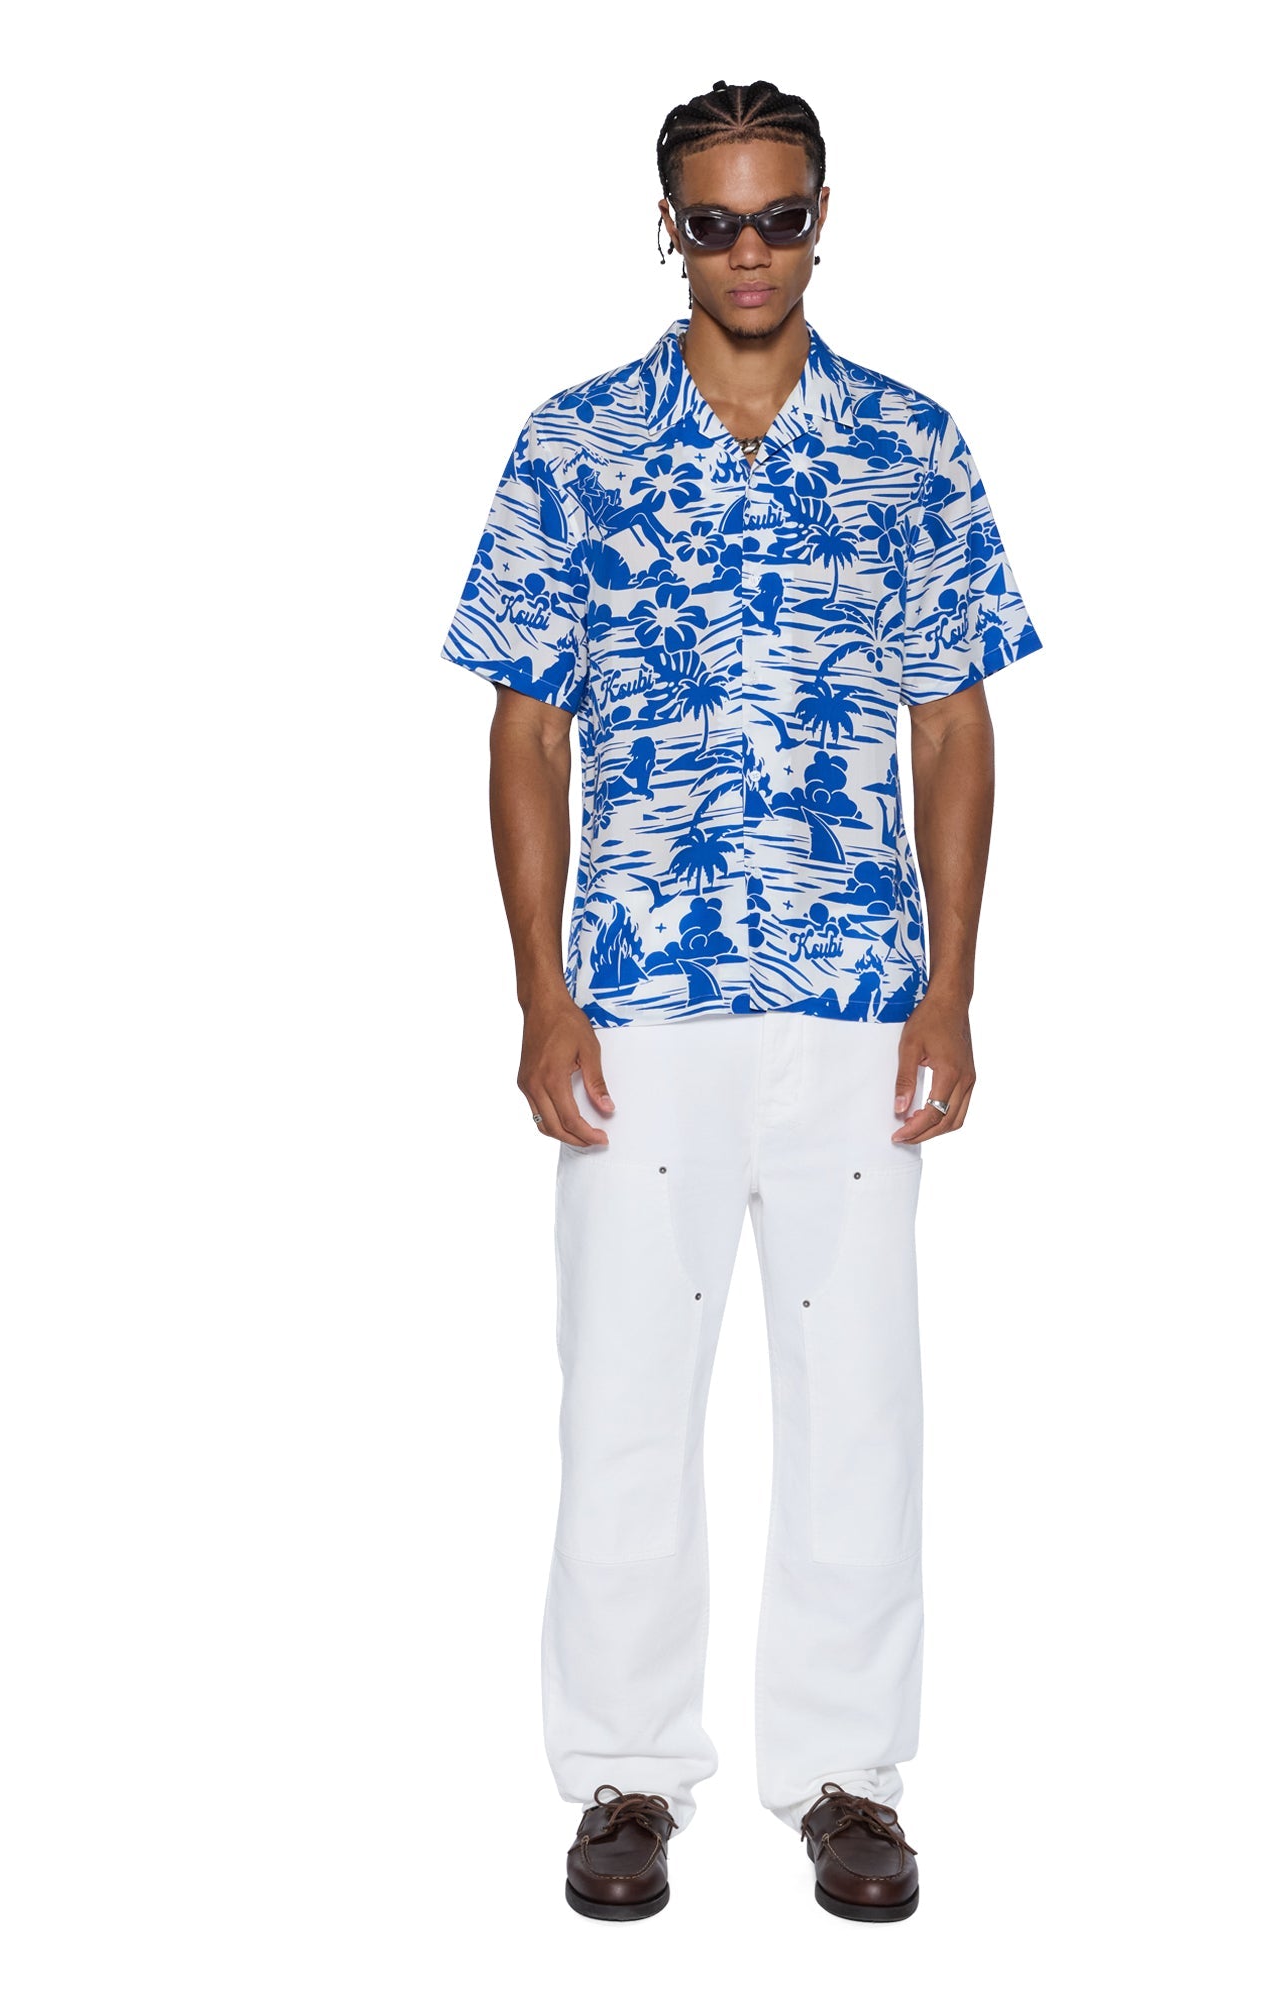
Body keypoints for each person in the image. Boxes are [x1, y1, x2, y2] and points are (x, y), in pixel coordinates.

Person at [440, 77, 1044, 1924]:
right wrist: (542, 996)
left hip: (854, 995)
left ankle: (850, 1779)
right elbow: (525, 732)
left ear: (822, 214)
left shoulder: (911, 445)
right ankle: (626, 1774)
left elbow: (955, 723)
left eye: (780, 216)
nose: (752, 251)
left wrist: (952, 986)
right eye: (716, 222)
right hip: (638, 1001)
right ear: (670, 230)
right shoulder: (574, 446)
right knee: (625, 1400)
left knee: (858, 1399)